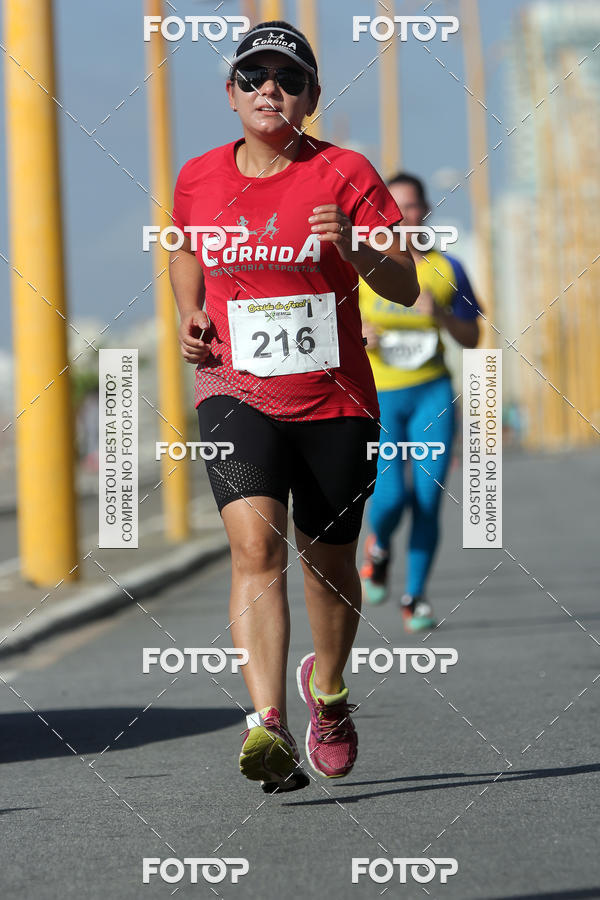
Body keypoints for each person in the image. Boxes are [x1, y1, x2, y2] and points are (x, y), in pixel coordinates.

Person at [169, 21, 419, 793]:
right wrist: (190, 312)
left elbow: (405, 284)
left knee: (330, 562)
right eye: (253, 77)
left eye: (287, 78)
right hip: (235, 387)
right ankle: (268, 723)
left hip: (335, 398)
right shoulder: (199, 177)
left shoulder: (346, 172)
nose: (269, 89)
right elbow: (185, 247)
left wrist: (354, 245)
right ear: (231, 94)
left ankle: (330, 696)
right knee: (255, 549)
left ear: (310, 96)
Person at [359, 173, 482, 632]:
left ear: (425, 210)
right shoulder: (361, 265)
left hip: (432, 393)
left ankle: (415, 597)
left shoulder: (448, 268)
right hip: (380, 397)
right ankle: (378, 547)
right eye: (391, 208)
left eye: (409, 207)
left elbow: (473, 337)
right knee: (391, 496)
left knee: (428, 498)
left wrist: (443, 315)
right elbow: (328, 328)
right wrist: (359, 335)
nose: (401, 217)